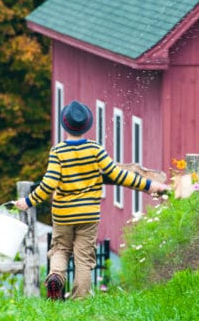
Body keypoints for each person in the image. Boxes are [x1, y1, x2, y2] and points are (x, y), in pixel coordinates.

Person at [15, 100, 170, 300]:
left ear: (64, 125)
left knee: (60, 250)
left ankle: (55, 277)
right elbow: (117, 174)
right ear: (87, 124)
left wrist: (28, 202)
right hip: (88, 213)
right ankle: (80, 299)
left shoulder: (58, 151)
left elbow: (48, 184)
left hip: (63, 214)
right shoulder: (96, 149)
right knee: (84, 258)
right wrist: (151, 186)